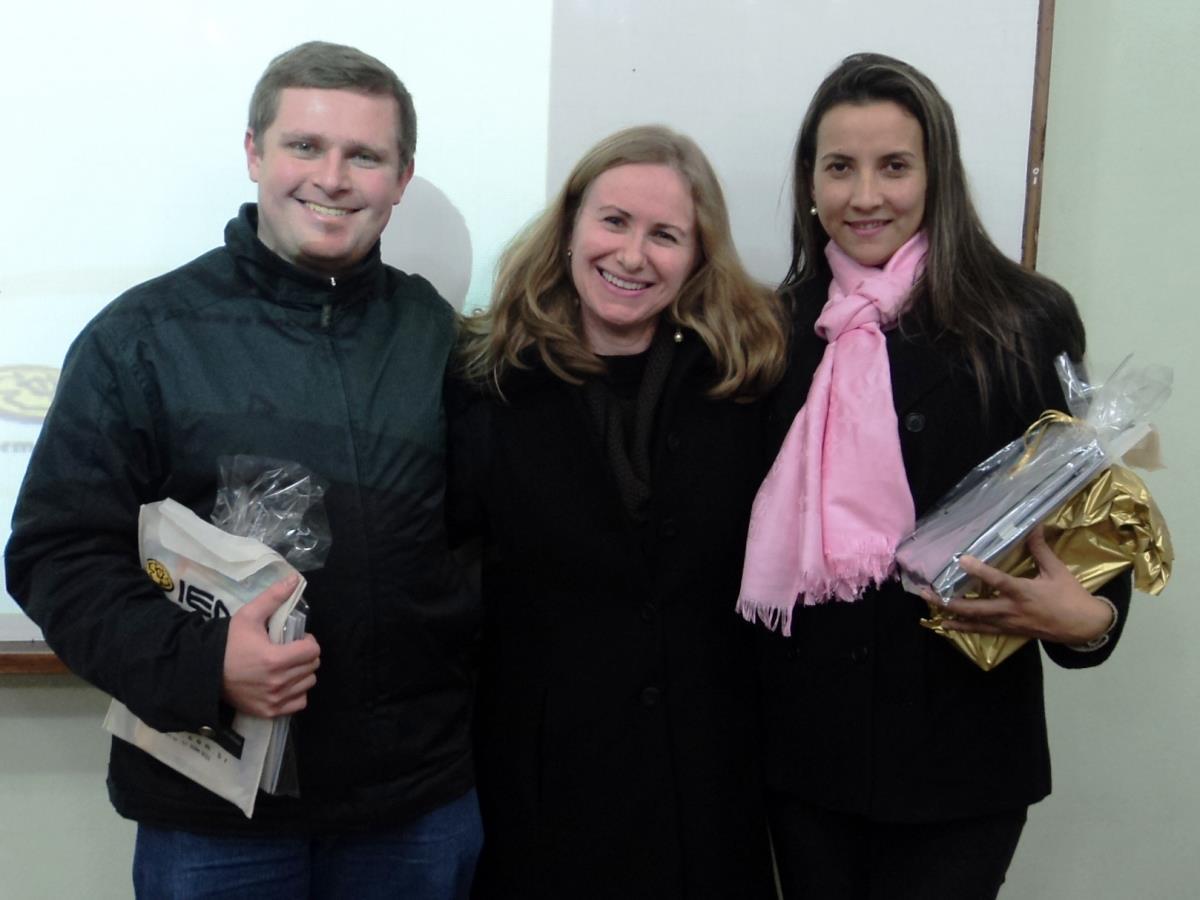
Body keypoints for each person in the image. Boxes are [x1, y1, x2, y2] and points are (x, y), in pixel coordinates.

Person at [5, 41, 480, 899]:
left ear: (401, 177)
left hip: (411, 810)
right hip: (213, 818)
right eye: (305, 146)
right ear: (255, 152)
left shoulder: (440, 339)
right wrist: (203, 663)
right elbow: (55, 555)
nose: (332, 178)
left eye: (364, 155)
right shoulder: (140, 338)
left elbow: (495, 543)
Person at [738, 53, 1132, 900]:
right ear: (810, 182)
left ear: (936, 176)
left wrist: (1092, 621)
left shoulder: (1024, 320)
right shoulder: (773, 330)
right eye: (840, 167)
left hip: (966, 762)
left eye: (894, 166)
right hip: (804, 760)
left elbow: (1087, 521)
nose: (865, 195)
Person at [450, 125, 788, 899]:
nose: (633, 256)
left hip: (704, 797)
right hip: (541, 798)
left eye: (666, 235)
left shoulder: (747, 381)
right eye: (613, 222)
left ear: (699, 256)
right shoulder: (484, 379)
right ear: (570, 226)